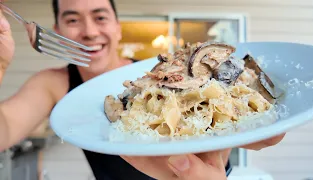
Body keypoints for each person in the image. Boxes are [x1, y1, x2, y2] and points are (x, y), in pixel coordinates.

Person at [0, 0, 286, 179]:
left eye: (100, 17)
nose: (88, 31)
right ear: (57, 29)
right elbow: (6, 129)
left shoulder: (153, 77)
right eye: (72, 20)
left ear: (117, 28)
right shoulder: (53, 84)